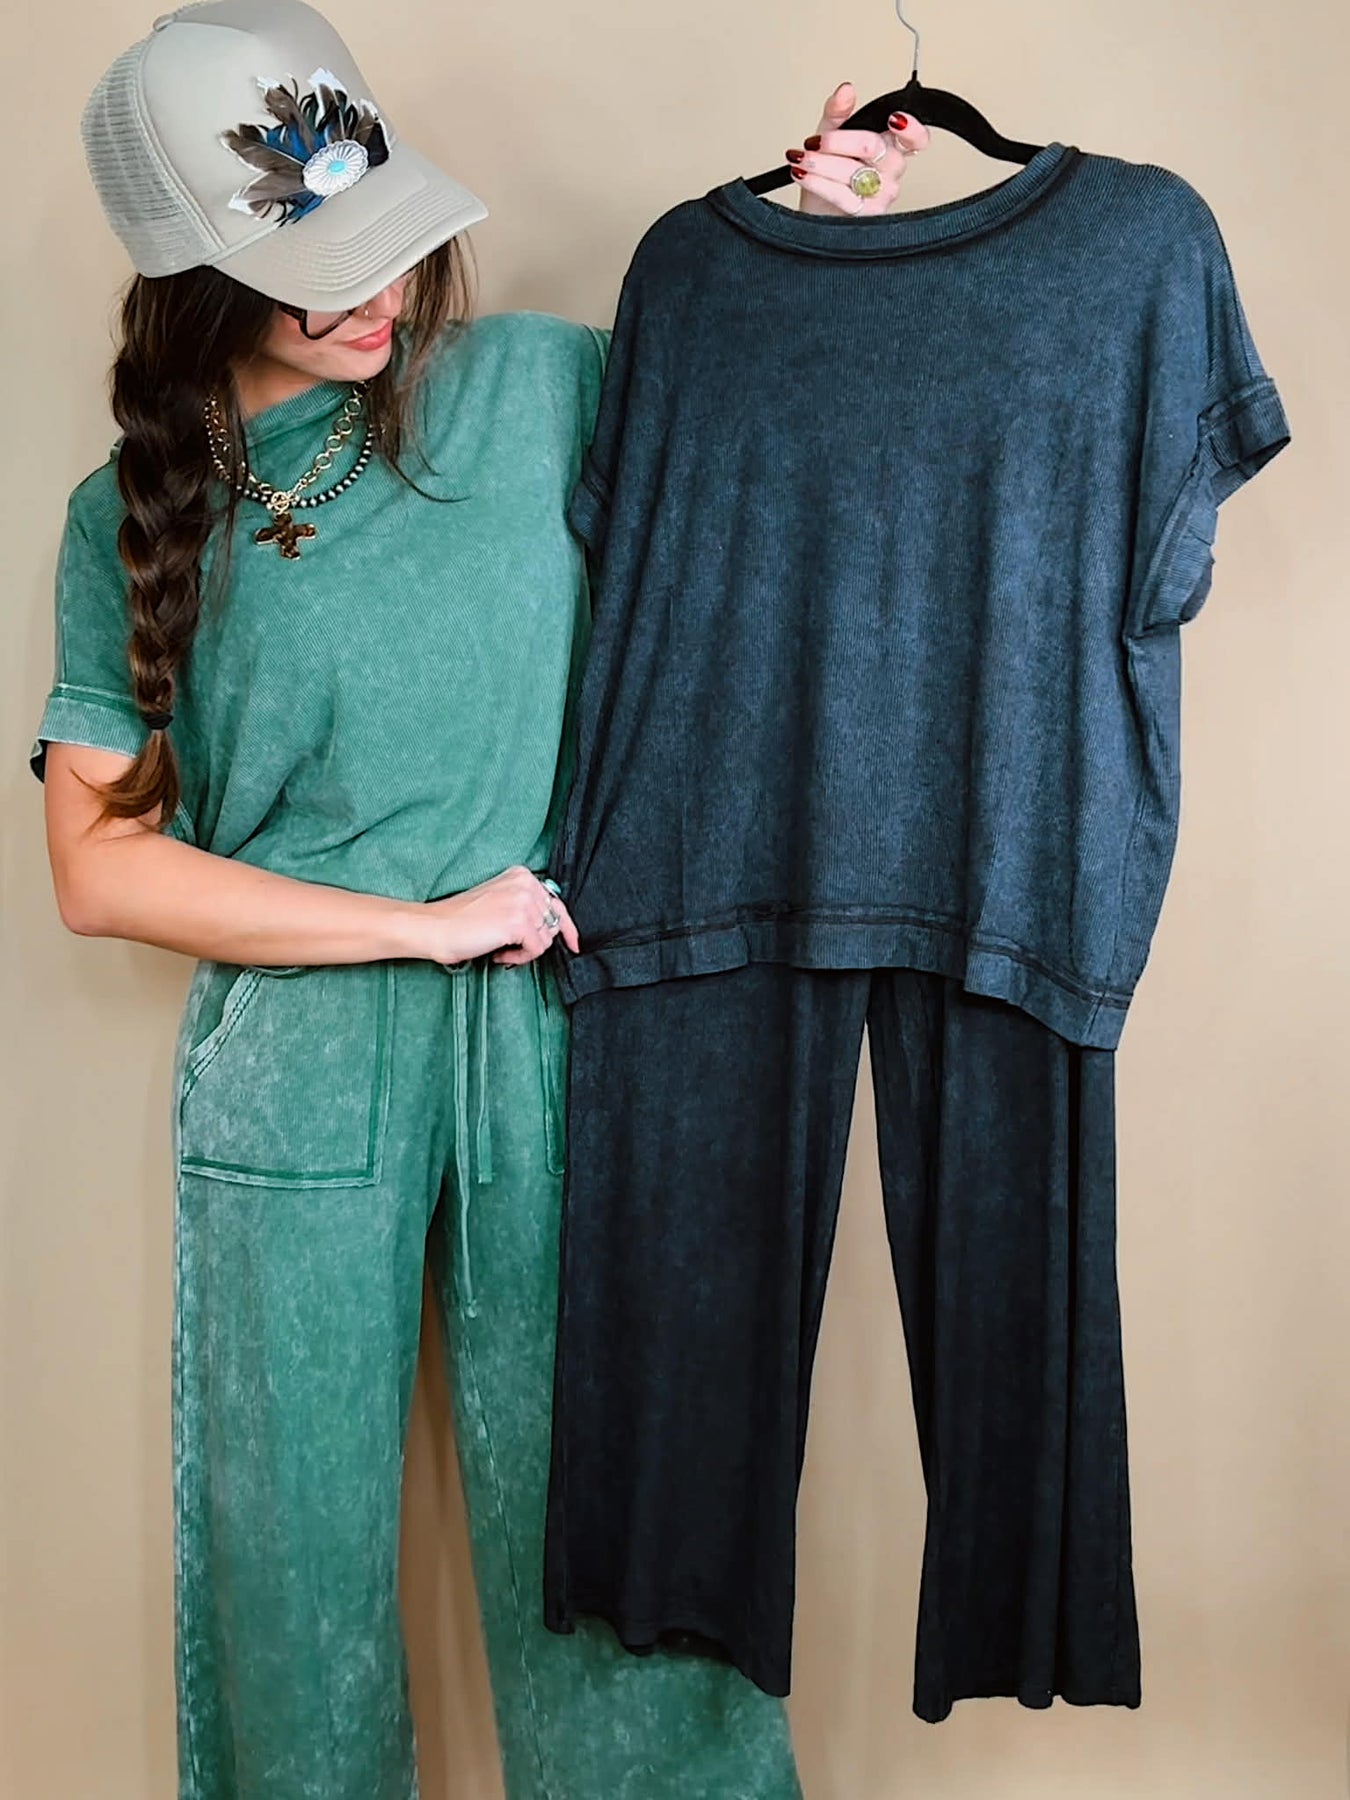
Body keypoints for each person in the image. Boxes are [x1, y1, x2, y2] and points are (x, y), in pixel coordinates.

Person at [33, 1, 927, 1794]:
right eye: (317, 270)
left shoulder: (536, 387)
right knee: (287, 1561)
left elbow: (775, 422)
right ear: (195, 281)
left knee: (613, 1514)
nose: (377, 292)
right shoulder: (126, 515)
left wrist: (814, 229)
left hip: (562, 1031)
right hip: (299, 1060)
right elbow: (96, 869)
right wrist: (425, 924)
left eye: (389, 238)